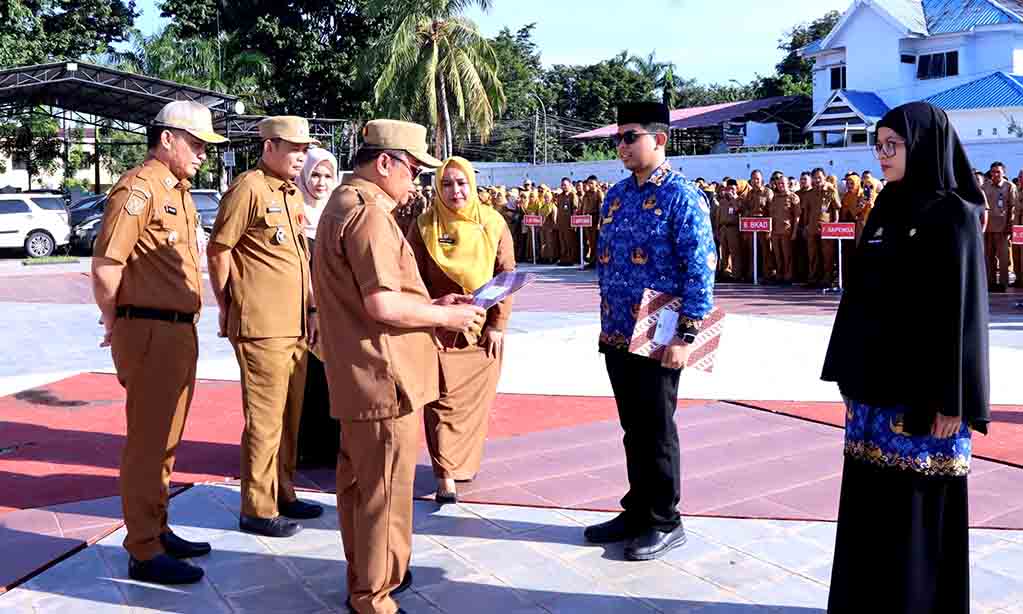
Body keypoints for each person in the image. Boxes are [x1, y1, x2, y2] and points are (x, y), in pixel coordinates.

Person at [822, 102, 989, 614]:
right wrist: (847, 375)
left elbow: (964, 314)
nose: (882, 154)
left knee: (917, 507)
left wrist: (954, 400)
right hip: (872, 390)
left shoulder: (955, 215)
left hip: (925, 395)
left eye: (892, 144)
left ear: (923, 145)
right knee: (870, 502)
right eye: (878, 145)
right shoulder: (886, 205)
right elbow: (859, 296)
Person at [313, 120, 486, 614]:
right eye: (414, 169)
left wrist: (431, 303)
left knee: (361, 488)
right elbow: (382, 304)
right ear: (385, 163)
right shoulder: (368, 213)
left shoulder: (345, 203)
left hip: (362, 374)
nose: (417, 181)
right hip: (385, 378)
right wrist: (446, 317)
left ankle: (367, 578)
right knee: (384, 495)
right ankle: (375, 597)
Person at [91, 101, 227, 584]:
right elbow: (107, 265)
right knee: (148, 443)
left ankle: (158, 527)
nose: (203, 155)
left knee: (166, 441)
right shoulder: (139, 188)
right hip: (148, 329)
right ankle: (143, 549)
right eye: (196, 144)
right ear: (167, 139)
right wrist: (116, 321)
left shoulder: (178, 191)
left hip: (177, 330)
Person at [585, 102, 716, 561]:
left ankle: (664, 519)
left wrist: (687, 335)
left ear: (659, 139)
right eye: (617, 138)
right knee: (633, 428)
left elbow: (701, 268)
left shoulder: (682, 196)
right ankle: (637, 509)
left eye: (630, 137)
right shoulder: (616, 196)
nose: (621, 146)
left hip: (660, 333)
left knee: (657, 428)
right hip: (618, 330)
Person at [208, 116, 324, 539]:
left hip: (294, 326)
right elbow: (219, 250)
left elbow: (299, 260)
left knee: (290, 418)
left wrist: (312, 311)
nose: (301, 157)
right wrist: (227, 304)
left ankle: (283, 491)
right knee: (265, 420)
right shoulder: (249, 188)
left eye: (304, 149)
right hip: (261, 327)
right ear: (269, 147)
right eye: (293, 149)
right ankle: (257, 508)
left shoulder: (289, 193)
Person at [406, 156, 516, 504]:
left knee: (473, 406)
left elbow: (506, 275)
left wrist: (497, 325)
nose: (455, 190)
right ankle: (445, 476)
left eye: (461, 183)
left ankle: (462, 465)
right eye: (447, 184)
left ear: (472, 184)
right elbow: (410, 277)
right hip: (438, 329)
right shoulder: (424, 226)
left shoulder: (493, 223)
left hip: (482, 333)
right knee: (441, 403)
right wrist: (432, 311)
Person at [295, 147, 341, 468]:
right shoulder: (293, 212)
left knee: (330, 377)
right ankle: (304, 448)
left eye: (327, 176)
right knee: (305, 376)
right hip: (301, 309)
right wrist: (311, 308)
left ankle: (331, 447)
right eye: (315, 175)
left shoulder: (336, 214)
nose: (321, 182)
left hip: (333, 309)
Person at [980, 161, 1016, 292]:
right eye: (993, 172)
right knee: (989, 258)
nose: (995, 174)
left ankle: (1003, 283)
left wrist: (1010, 227)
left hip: (1003, 229)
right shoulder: (985, 186)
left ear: (1003, 173)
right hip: (988, 228)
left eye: (998, 172)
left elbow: (1013, 208)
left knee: (1003, 258)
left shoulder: (1009, 186)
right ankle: (990, 283)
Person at [803, 168, 842, 288]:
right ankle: (813, 279)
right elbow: (806, 211)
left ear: (824, 177)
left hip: (827, 228)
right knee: (812, 255)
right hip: (812, 228)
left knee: (827, 255)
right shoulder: (809, 193)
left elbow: (836, 209)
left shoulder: (831, 191)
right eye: (815, 178)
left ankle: (827, 279)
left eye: (819, 177)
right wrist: (806, 226)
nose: (817, 180)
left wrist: (834, 225)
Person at [768, 170, 800, 285]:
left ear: (788, 184)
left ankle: (788, 276)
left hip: (787, 231)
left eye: (783, 183)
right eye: (778, 184)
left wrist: (794, 232)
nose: (780, 185)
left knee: (787, 256)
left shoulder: (793, 197)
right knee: (777, 255)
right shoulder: (775, 198)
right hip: (775, 231)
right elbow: (772, 214)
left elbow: (797, 216)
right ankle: (779, 275)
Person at [742, 170, 774, 281]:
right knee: (752, 251)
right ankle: (753, 274)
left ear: (762, 180)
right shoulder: (749, 194)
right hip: (752, 226)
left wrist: (770, 228)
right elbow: (746, 208)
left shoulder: (767, 192)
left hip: (764, 225)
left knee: (766, 251)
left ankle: (767, 275)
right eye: (753, 179)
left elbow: (772, 210)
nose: (755, 181)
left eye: (757, 179)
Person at [715, 179, 743, 280]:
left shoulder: (739, 200)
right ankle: (725, 272)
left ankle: (736, 274)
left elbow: (738, 210)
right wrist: (718, 229)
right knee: (724, 252)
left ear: (736, 189)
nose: (730, 190)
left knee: (735, 252)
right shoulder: (722, 201)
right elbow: (718, 216)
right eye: (728, 188)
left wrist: (733, 199)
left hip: (733, 228)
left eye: (732, 188)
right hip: (723, 228)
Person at [556, 177, 580, 265]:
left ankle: (570, 259)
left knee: (570, 241)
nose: (563, 186)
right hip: (561, 223)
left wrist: (574, 223)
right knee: (562, 242)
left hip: (569, 223)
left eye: (565, 185)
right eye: (562, 185)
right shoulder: (560, 196)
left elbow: (575, 210)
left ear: (570, 185)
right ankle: (564, 258)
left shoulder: (573, 195)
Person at [581, 175, 604, 268]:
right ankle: (592, 261)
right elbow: (583, 207)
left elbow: (601, 210)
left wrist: (599, 223)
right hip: (587, 220)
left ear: (596, 184)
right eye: (588, 183)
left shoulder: (599, 193)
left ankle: (596, 261)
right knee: (590, 242)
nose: (590, 185)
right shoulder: (586, 194)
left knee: (596, 242)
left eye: (592, 183)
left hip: (595, 219)